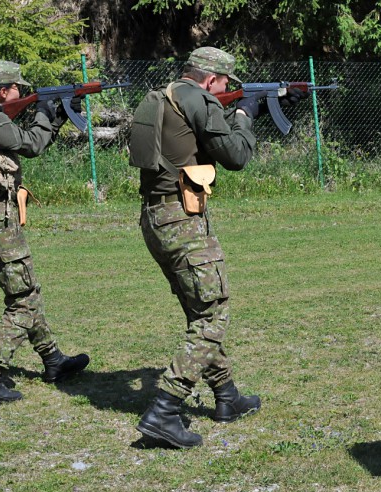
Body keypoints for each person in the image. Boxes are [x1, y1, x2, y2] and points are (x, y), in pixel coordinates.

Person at [128, 47, 307, 449]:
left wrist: (257, 106)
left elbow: (200, 138)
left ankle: (227, 397)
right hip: (182, 220)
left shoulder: (162, 96)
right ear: (211, 81)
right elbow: (237, 155)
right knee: (211, 315)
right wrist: (244, 114)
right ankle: (164, 410)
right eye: (226, 84)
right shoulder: (198, 98)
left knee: (199, 309)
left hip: (157, 218)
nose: (225, 90)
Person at [0, 60, 90, 405]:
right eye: (19, 88)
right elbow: (30, 145)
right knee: (23, 300)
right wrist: (46, 112)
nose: (23, 92)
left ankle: (53, 360)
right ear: (4, 91)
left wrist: (57, 114)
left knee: (26, 290)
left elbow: (33, 140)